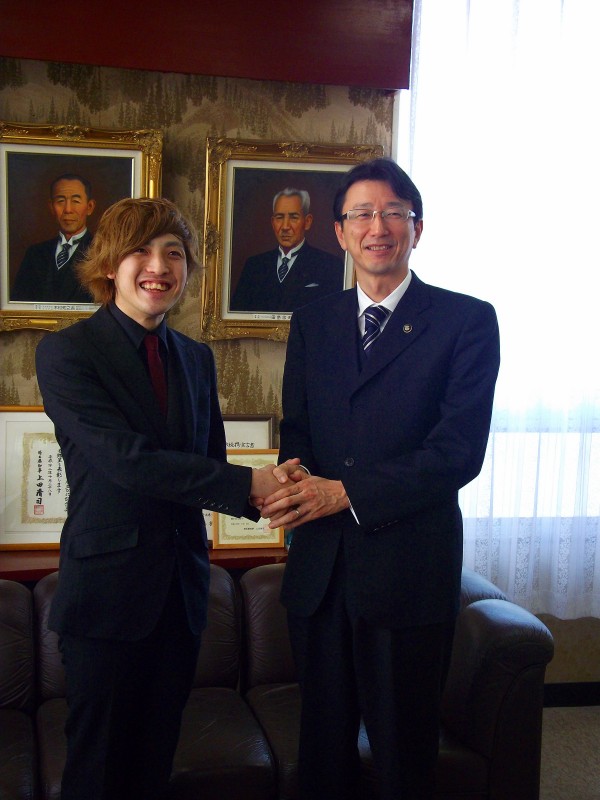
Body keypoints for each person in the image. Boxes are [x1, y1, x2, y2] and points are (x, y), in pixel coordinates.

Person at [35, 197, 297, 800]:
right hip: (106, 600)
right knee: (98, 772)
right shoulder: (66, 353)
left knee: (155, 765)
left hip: (181, 596)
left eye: (173, 253)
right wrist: (248, 483)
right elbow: (126, 462)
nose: (159, 266)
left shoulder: (195, 358)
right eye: (141, 251)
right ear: (109, 265)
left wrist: (283, 494)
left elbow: (209, 465)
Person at [261, 158, 501, 799]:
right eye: (362, 214)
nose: (378, 227)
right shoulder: (313, 321)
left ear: (417, 228)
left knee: (403, 755)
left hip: (408, 574)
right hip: (320, 574)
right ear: (339, 232)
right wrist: (292, 475)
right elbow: (299, 430)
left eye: (394, 212)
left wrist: (346, 493)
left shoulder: (466, 321)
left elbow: (458, 452)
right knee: (323, 752)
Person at [229, 187, 345, 312]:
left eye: (293, 217)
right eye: (279, 217)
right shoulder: (254, 266)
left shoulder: (330, 266)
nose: (285, 226)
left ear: (307, 222)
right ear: (273, 222)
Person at [11, 173, 96, 303]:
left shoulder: (101, 252)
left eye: (76, 201)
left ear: (89, 207)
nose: (68, 209)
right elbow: (18, 302)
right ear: (51, 207)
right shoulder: (34, 253)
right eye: (61, 201)